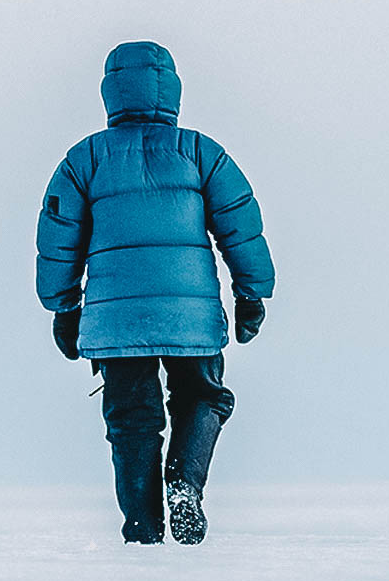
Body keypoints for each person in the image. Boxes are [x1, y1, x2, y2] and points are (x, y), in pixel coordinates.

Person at [35, 41, 275, 545]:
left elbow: (58, 237)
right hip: (192, 319)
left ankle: (142, 530)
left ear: (109, 92)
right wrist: (251, 292)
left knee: (132, 423)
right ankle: (185, 482)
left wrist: (63, 306)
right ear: (173, 89)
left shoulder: (85, 160)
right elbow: (242, 226)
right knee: (202, 398)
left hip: (116, 324)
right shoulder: (201, 153)